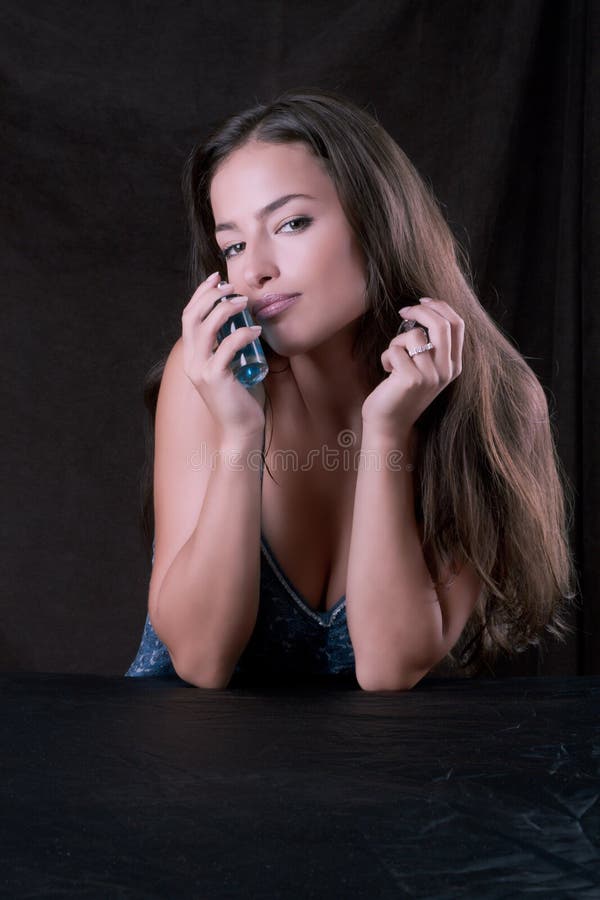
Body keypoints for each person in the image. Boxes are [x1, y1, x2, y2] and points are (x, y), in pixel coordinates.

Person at [125, 88, 576, 690]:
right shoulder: (210, 375)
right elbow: (202, 662)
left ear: (379, 218)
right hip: (186, 768)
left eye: (291, 223)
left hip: (380, 774)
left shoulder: (498, 404)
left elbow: (389, 669)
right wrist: (240, 434)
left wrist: (389, 433)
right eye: (233, 244)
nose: (255, 268)